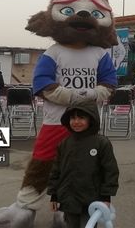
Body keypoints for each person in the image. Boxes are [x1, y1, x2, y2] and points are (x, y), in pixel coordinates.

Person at [48, 97, 119, 228]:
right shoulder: (64, 143)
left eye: (81, 118)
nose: (76, 122)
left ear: (91, 119)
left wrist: (106, 197)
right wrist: (54, 195)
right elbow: (56, 170)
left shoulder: (101, 143)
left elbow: (110, 171)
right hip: (69, 200)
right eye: (73, 118)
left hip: (91, 200)